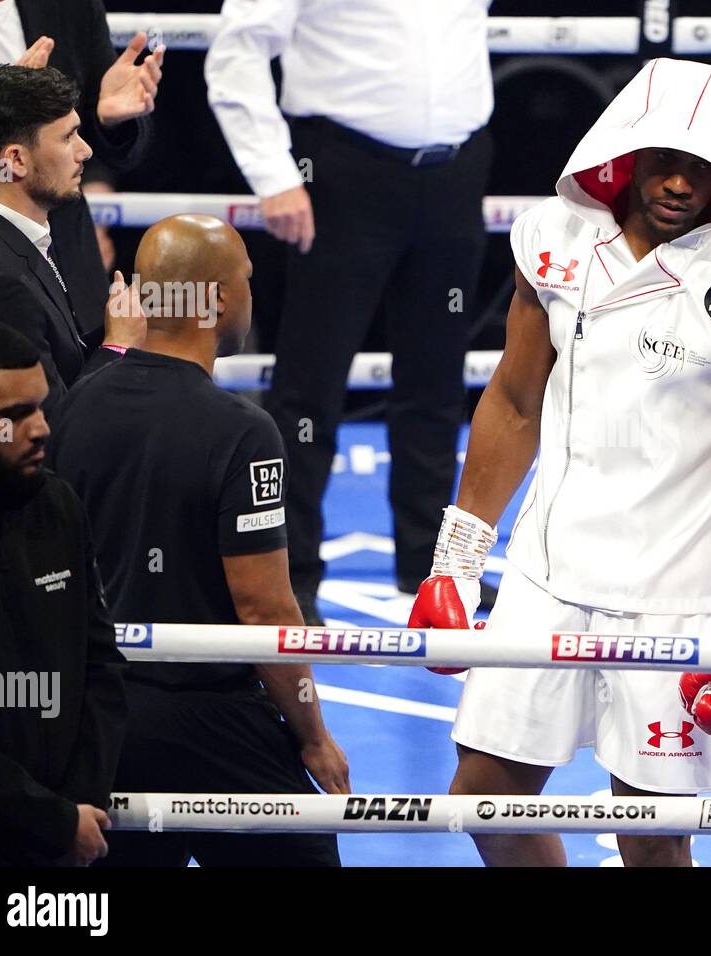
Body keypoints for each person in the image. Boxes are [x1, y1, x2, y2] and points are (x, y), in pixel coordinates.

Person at [410, 58, 711, 867]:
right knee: (484, 800)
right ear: (624, 153)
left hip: (678, 594)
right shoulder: (554, 239)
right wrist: (457, 562)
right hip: (545, 573)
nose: (680, 184)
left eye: (703, 170)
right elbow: (513, 402)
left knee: (653, 841)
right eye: (665, 162)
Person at [49, 214, 349, 866]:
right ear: (214, 299)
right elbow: (266, 610)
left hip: (100, 713)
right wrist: (313, 735)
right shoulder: (241, 430)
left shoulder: (76, 403)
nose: (252, 290)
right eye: (244, 276)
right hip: (210, 717)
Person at [205, 0, 495, 623]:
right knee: (309, 388)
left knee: (437, 384)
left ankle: (431, 568)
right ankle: (290, 576)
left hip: (456, 169)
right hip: (342, 170)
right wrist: (272, 172)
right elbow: (238, 47)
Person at [0, 318, 127, 866]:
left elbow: (100, 663)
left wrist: (82, 804)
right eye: (13, 415)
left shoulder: (58, 507)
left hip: (68, 842)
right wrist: (51, 821)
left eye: (40, 406)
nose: (40, 429)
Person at [0, 0, 162, 340]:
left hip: (69, 247)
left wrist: (112, 121)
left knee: (94, 367)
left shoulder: (69, 5)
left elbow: (94, 141)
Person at [0, 64, 146, 421]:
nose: (86, 151)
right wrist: (118, 345)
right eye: (68, 137)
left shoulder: (17, 238)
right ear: (15, 160)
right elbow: (47, 426)